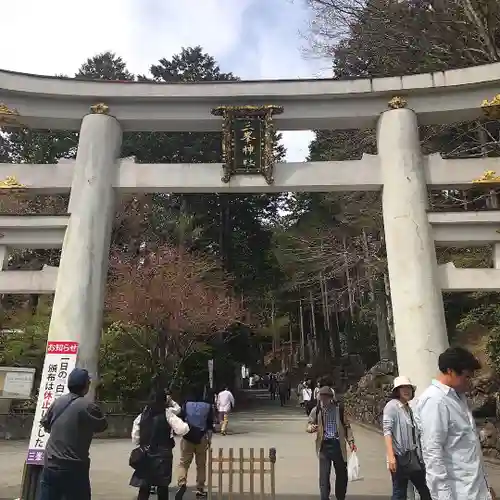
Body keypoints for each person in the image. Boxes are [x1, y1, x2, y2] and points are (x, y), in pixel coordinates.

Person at [414, 347, 496, 500]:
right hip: (458, 493)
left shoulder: (458, 398)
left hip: (476, 490)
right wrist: (443, 496)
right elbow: (433, 453)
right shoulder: (435, 401)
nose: (470, 382)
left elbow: (467, 448)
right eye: (466, 377)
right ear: (450, 371)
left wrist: (485, 487)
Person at [38, 368, 108, 500]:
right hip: (74, 466)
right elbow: (102, 425)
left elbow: (46, 424)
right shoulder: (88, 406)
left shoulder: (57, 402)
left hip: (51, 464)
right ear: (86, 385)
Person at [130, 389, 189, 500]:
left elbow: (135, 439)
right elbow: (183, 429)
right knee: (162, 488)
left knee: (144, 488)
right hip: (163, 455)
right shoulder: (167, 414)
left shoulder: (142, 416)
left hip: (146, 455)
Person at [383, 376, 431, 500]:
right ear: (397, 391)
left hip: (412, 457)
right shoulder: (392, 406)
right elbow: (387, 431)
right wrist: (391, 456)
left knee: (424, 489)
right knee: (400, 492)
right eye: (402, 388)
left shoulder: (408, 408)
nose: (406, 390)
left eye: (408, 388)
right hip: (399, 457)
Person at [306, 386, 356, 500]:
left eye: (325, 398)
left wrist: (351, 441)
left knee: (342, 475)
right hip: (324, 446)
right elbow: (309, 424)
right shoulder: (317, 410)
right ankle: (324, 497)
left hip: (338, 445)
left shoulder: (340, 409)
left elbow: (347, 426)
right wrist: (311, 428)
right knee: (324, 476)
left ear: (331, 398)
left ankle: (340, 497)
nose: (323, 401)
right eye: (321, 398)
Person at [175, 389, 215, 499]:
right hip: (201, 437)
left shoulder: (186, 405)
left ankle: (182, 483)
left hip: (187, 437)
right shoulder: (208, 406)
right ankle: (200, 489)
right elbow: (210, 425)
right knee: (201, 465)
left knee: (183, 463)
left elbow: (181, 421)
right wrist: (209, 440)